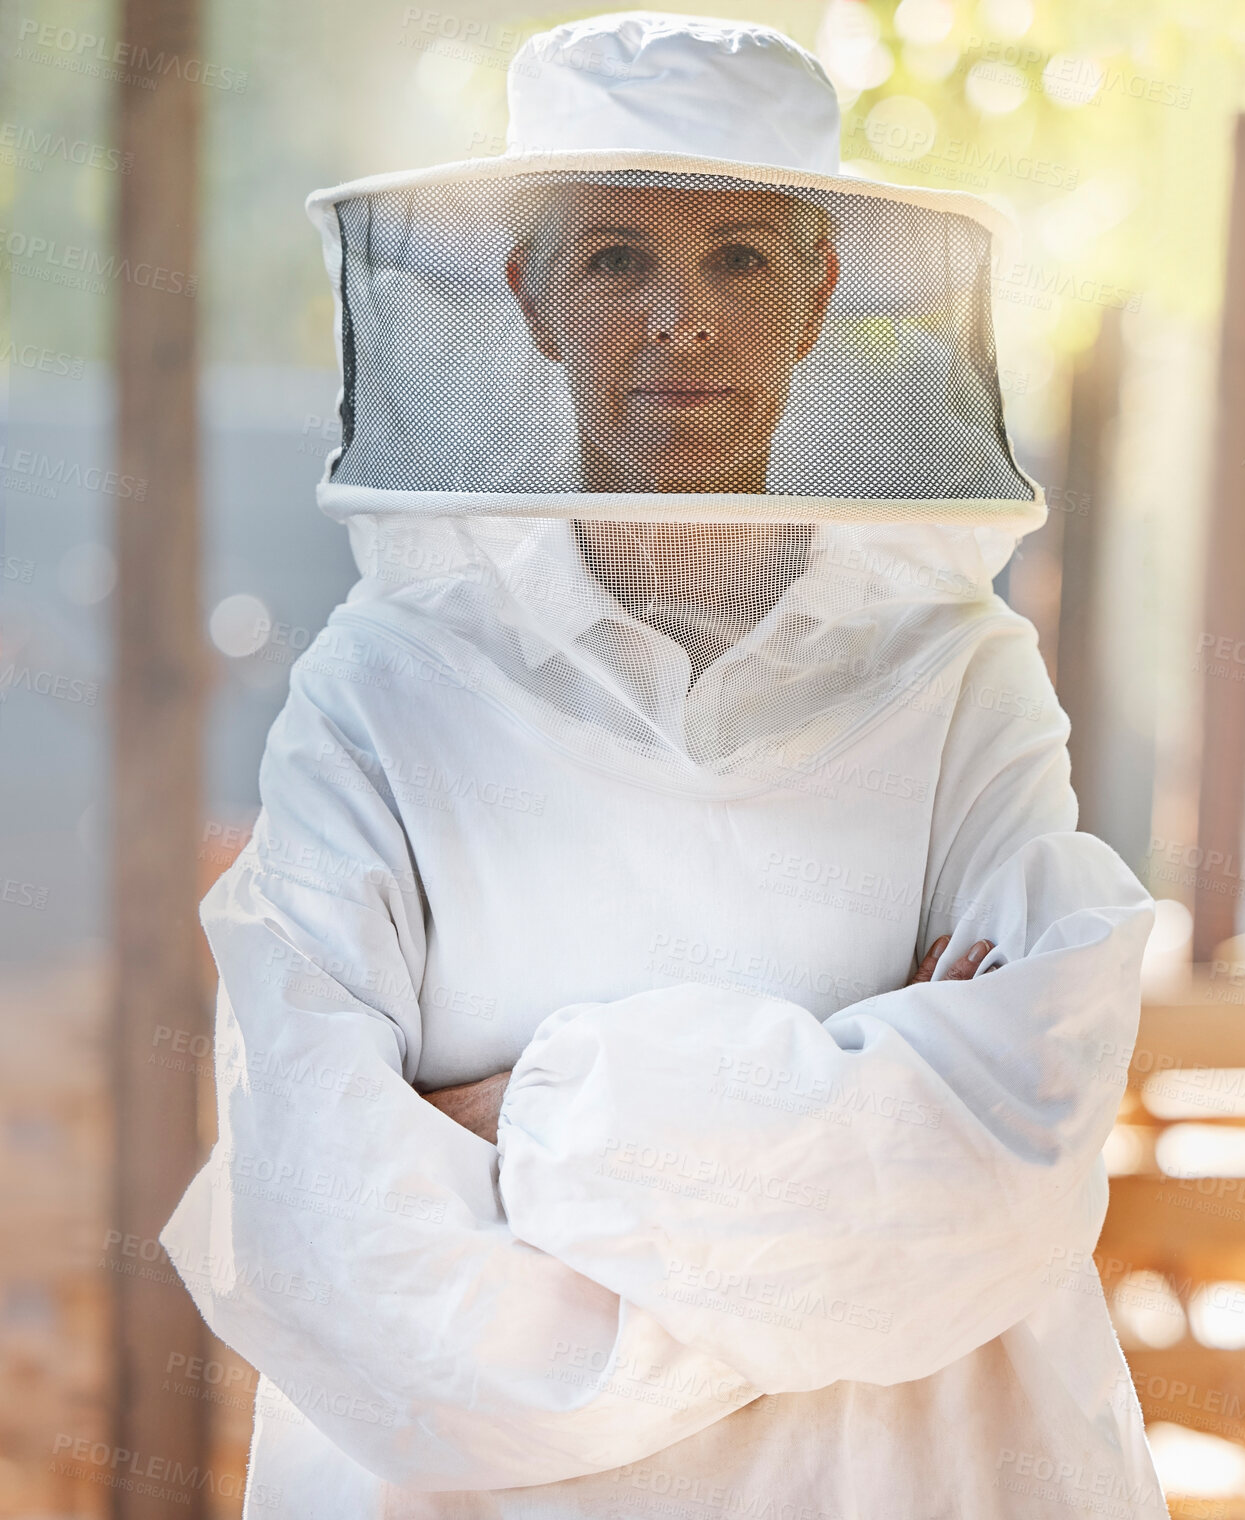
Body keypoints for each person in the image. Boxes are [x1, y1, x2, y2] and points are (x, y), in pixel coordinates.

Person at [162, 13, 1172, 1519]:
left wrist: (530, 1113)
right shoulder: (382, 693)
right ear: (532, 296)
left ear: (821, 293)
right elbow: (333, 1230)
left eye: (743, 260)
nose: (680, 322)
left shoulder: (965, 678)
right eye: (618, 257)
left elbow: (1015, 1145)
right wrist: (831, 1195)